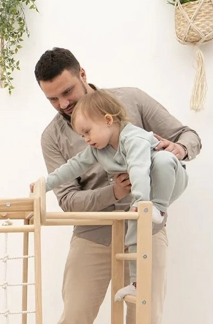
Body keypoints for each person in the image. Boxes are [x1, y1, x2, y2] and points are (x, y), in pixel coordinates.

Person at [34, 47, 202, 324]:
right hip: (91, 236)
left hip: (146, 229)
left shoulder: (131, 99)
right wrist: (114, 192)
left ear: (83, 74)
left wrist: (175, 151)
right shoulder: (53, 136)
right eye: (52, 99)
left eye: (67, 92)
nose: (62, 104)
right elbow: (69, 201)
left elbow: (189, 136)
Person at [37, 89, 188, 301]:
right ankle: (136, 283)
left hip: (168, 181)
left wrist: (141, 201)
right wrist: (44, 184)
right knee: (134, 229)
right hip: (145, 193)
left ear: (108, 120)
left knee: (162, 160)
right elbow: (73, 166)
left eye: (88, 132)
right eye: (82, 135)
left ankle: (159, 209)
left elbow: (139, 168)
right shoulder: (100, 148)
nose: (86, 139)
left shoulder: (133, 138)